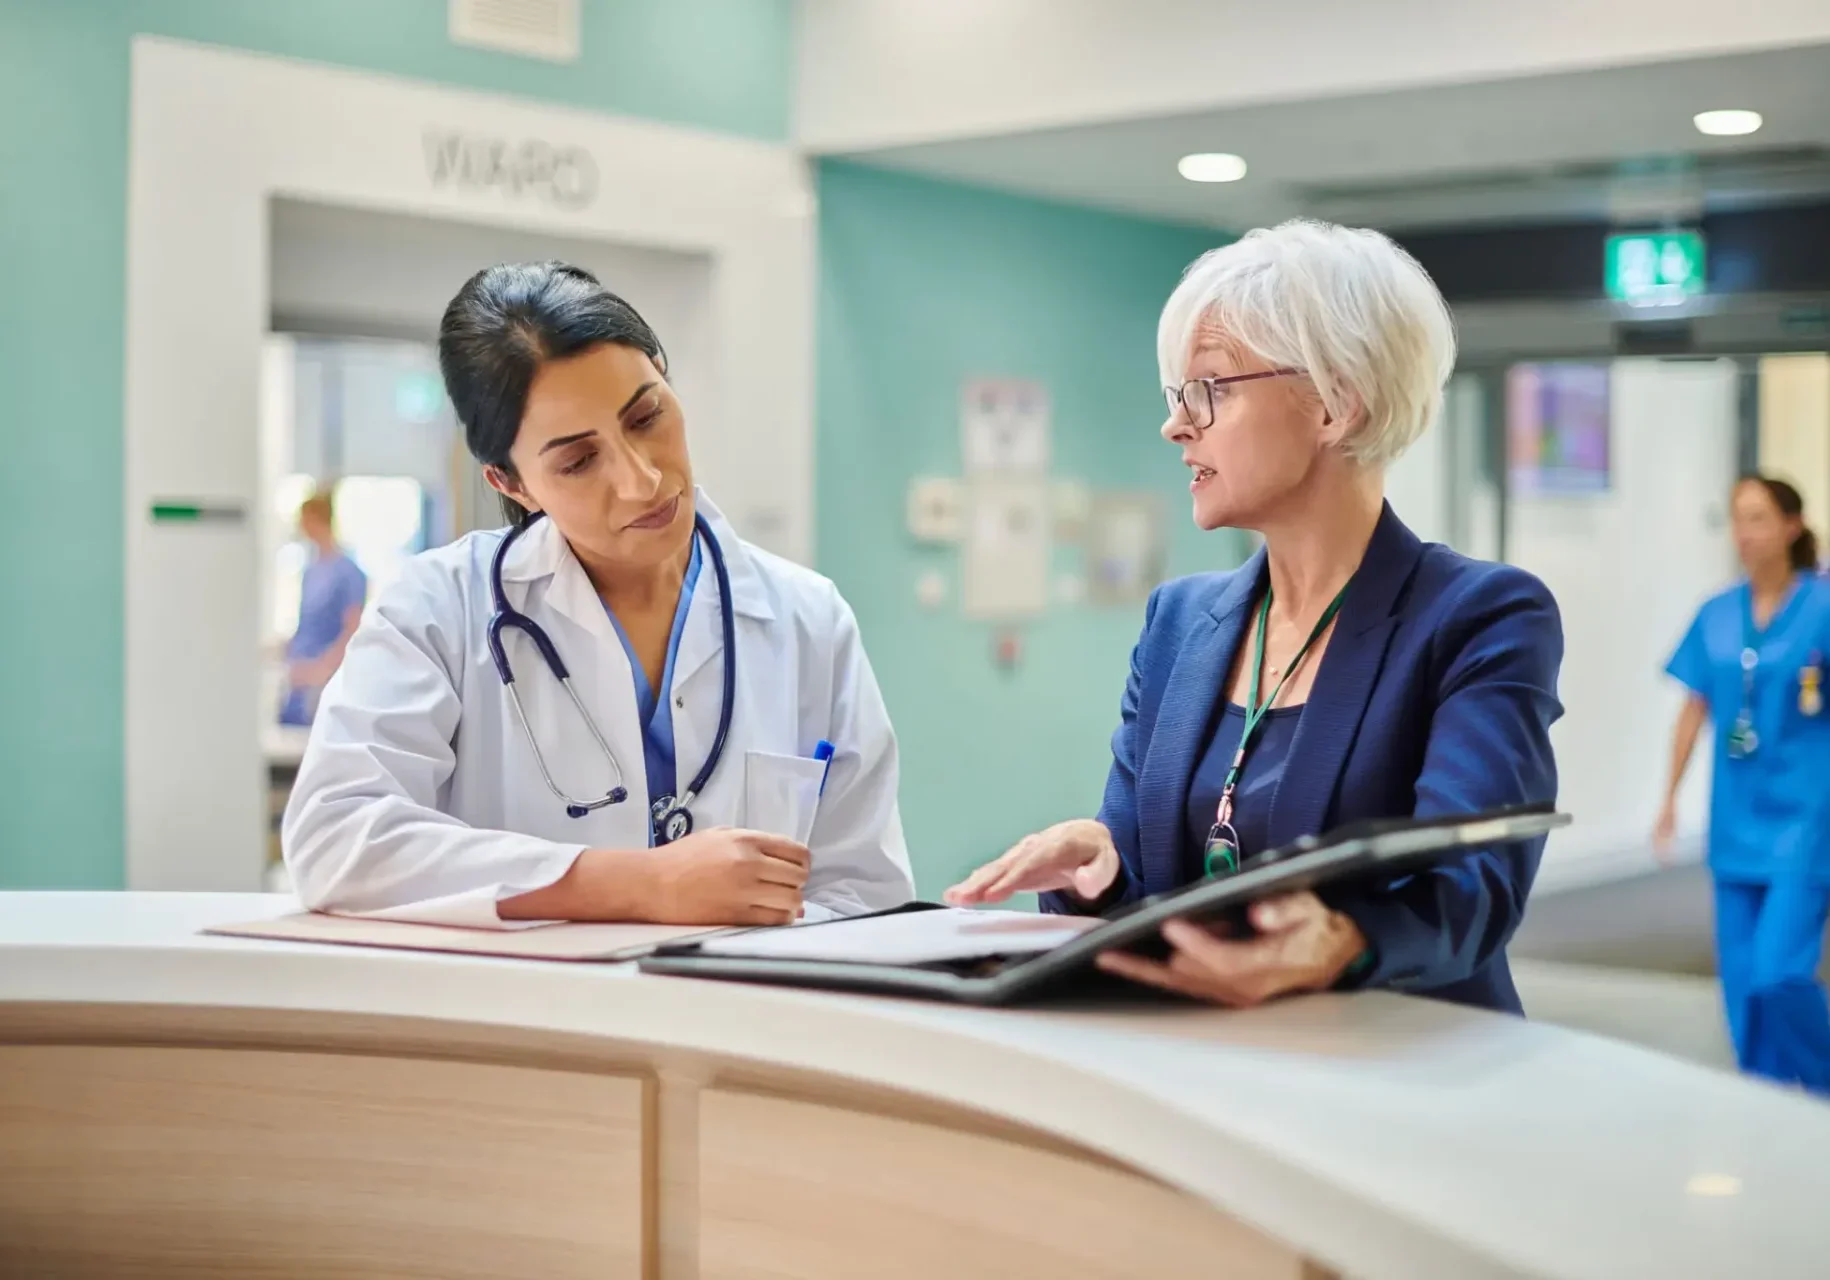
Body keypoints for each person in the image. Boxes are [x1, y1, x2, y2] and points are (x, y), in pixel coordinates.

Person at [947, 220, 1563, 1014]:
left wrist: (1341, 942)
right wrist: (1096, 873)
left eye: (1211, 389)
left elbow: (1473, 887)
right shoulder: (1179, 620)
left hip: (1402, 1079)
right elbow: (1153, 896)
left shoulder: (1478, 616)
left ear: (1337, 402)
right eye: (1177, 396)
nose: (1177, 425)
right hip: (1204, 1085)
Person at [283, 262, 914, 928]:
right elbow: (335, 840)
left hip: (743, 1018)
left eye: (646, 417)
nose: (642, 480)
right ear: (512, 484)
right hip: (527, 1023)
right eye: (580, 461)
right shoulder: (440, 611)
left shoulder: (808, 620)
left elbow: (865, 893)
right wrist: (637, 885)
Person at [1655, 475, 1830, 1094]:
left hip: (1807, 819)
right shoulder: (1716, 612)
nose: (1745, 533)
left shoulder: (1823, 605)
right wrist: (1669, 798)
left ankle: (1820, 1083)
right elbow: (1693, 708)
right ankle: (1763, 1099)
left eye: (1758, 518)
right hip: (1736, 820)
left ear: (1791, 526)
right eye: (1737, 519)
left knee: (1778, 974)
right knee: (1741, 990)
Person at [279, 490, 367, 726]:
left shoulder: (349, 573)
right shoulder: (311, 571)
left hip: (324, 677)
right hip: (299, 675)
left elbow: (353, 630)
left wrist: (322, 669)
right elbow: (306, 626)